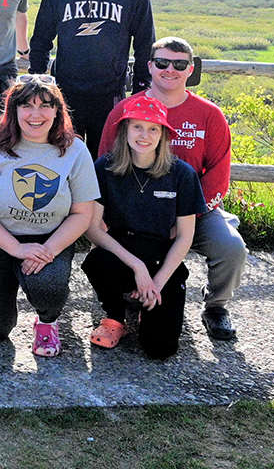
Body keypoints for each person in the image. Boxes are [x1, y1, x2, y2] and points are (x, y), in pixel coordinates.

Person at [98, 36, 246, 341]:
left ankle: (216, 307)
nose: (170, 70)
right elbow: (106, 164)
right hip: (133, 214)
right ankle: (125, 294)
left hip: (194, 212)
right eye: (162, 62)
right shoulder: (125, 111)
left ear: (190, 69)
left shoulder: (209, 115)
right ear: (150, 66)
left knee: (231, 247)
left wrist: (185, 220)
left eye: (179, 64)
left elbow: (218, 175)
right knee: (105, 250)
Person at [0, 75, 97, 357]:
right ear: (13, 110)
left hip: (48, 238)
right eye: (26, 106)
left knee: (47, 286)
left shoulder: (75, 150)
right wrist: (16, 248)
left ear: (58, 110)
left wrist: (49, 250)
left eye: (46, 106)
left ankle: (47, 323)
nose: (36, 114)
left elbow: (83, 213)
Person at [83, 96, 206, 359]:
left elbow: (185, 237)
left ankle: (145, 304)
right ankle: (115, 317)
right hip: (120, 250)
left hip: (162, 255)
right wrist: (137, 267)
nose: (144, 135)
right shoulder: (105, 167)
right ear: (125, 129)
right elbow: (92, 229)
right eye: (137, 126)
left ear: (163, 134)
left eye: (153, 128)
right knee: (96, 261)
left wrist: (157, 282)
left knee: (160, 348)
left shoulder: (181, 174)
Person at [28, 0, 154, 150]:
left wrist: (140, 91)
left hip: (110, 95)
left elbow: (145, 45)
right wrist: (37, 86)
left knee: (106, 164)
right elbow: (41, 41)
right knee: (62, 158)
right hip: (65, 95)